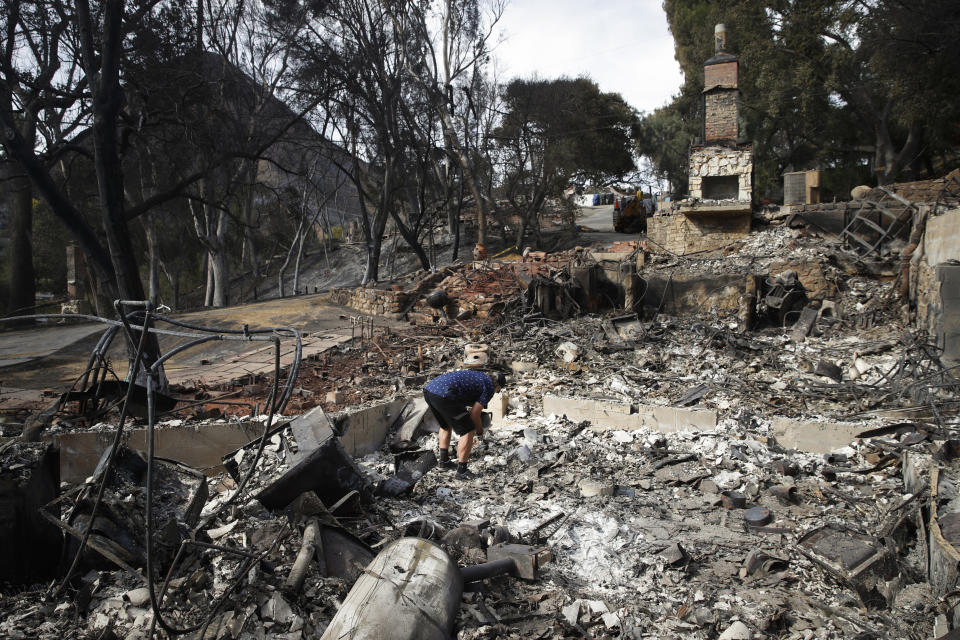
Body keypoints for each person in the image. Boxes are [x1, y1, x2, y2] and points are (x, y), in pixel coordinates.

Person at [423, 369, 506, 477]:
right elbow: (475, 414)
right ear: (498, 386)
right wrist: (480, 431)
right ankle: (462, 471)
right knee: (468, 430)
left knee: (445, 425)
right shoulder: (489, 387)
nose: (496, 393)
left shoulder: (480, 376)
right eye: (498, 391)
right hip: (445, 394)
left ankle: (444, 462)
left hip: (430, 390)